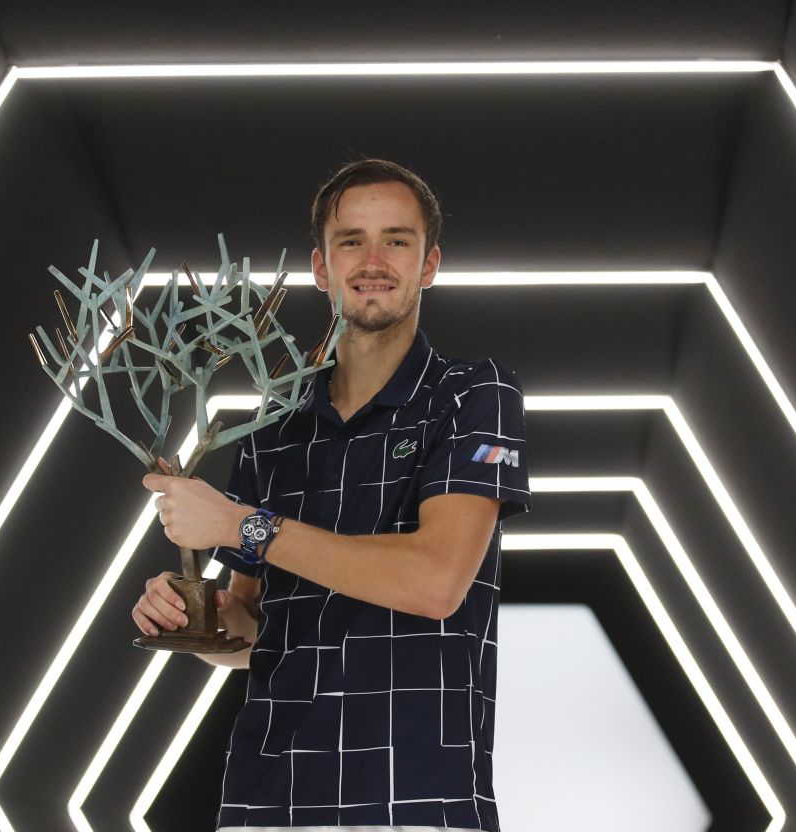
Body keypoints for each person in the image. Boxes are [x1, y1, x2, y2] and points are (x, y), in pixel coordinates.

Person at [134, 159, 531, 832]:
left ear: (428, 264)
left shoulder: (473, 394)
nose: (373, 260)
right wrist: (190, 620)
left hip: (416, 802)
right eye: (352, 240)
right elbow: (256, 636)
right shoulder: (274, 427)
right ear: (321, 267)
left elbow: (435, 582)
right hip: (267, 802)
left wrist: (242, 525)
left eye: (396, 240)